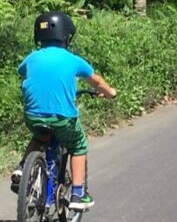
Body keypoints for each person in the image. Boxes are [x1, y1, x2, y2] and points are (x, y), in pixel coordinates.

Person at [11, 11, 116, 210]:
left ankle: (23, 167)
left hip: (33, 116)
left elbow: (22, 73)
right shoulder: (73, 60)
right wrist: (110, 92)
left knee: (40, 137)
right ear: (66, 35)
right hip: (62, 118)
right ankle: (77, 194)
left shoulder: (31, 58)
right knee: (78, 145)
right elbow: (97, 82)